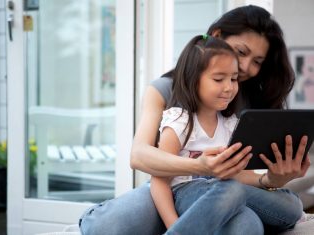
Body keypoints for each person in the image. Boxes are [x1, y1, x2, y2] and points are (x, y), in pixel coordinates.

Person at [79, 5, 311, 235]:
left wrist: (271, 179)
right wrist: (199, 166)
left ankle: (200, 220)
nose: (244, 67)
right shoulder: (168, 95)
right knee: (105, 227)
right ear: (217, 36)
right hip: (180, 185)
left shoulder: (245, 99)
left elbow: (238, 175)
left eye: (257, 61)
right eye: (241, 52)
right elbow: (139, 155)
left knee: (263, 215)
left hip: (229, 189)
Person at [150, 34, 252, 234]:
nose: (229, 87)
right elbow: (159, 182)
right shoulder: (180, 122)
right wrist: (173, 226)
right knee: (234, 190)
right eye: (218, 79)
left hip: (223, 196)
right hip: (185, 193)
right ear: (192, 80)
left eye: (233, 78)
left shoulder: (231, 124)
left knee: (251, 222)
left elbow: (240, 174)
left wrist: (269, 180)